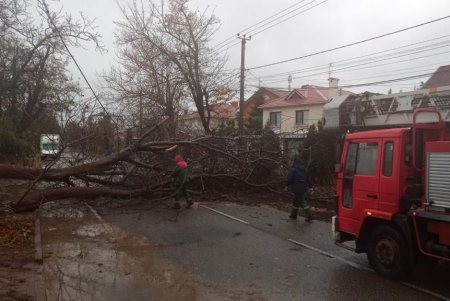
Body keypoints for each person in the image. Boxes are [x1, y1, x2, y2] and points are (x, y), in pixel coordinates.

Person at [286, 156, 313, 222]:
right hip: (303, 188)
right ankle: (294, 215)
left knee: (302, 201)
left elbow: (290, 178)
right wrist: (310, 187)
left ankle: (309, 215)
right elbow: (309, 179)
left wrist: (287, 185)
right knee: (296, 200)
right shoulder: (305, 170)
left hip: (296, 188)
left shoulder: (293, 169)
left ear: (294, 162)